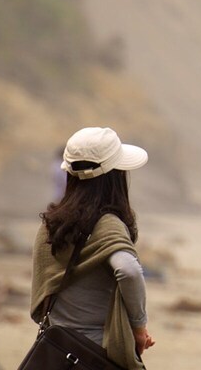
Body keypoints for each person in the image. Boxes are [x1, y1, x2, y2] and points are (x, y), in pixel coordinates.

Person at [31, 127, 156, 369]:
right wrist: (139, 327)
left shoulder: (51, 224)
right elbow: (129, 270)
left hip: (57, 349)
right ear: (115, 176)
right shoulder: (107, 223)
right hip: (97, 354)